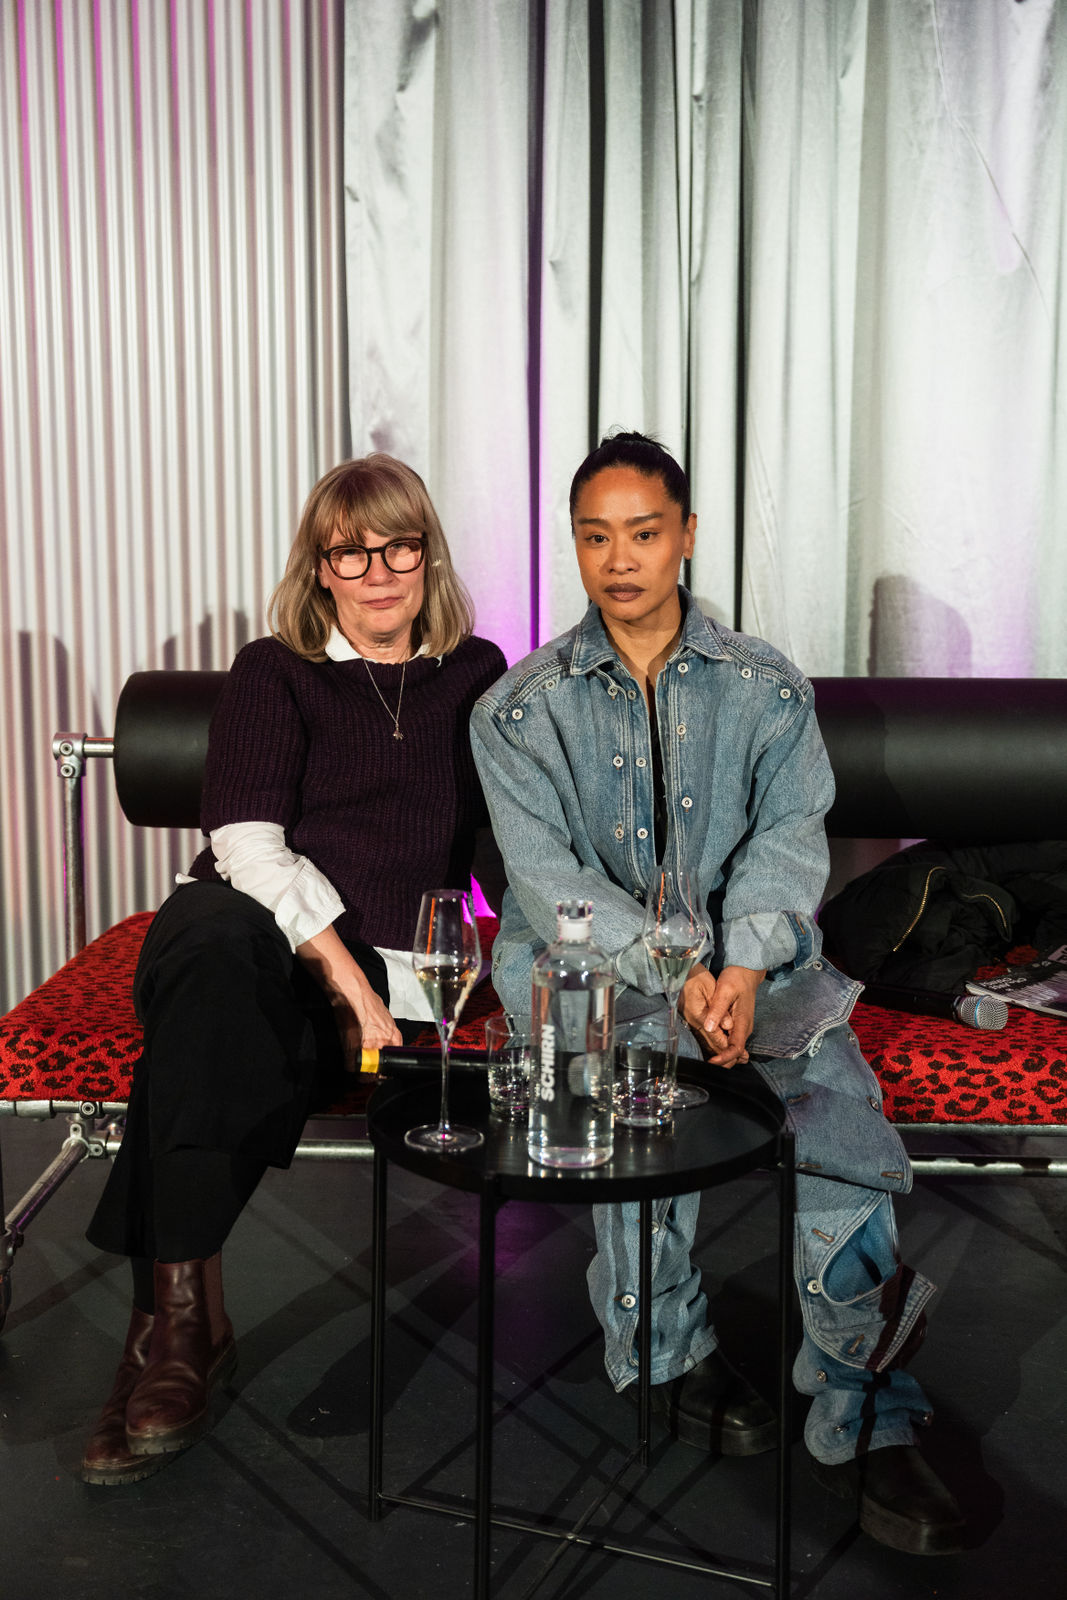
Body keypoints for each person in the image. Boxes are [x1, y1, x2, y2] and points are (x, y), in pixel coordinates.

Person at [470, 431, 965, 1556]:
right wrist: (678, 973)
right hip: (596, 979)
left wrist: (740, 967)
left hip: (758, 973)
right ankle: (660, 1358)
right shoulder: (513, 711)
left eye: (642, 533)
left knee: (840, 1132)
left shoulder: (764, 685)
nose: (619, 559)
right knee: (635, 1141)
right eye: (595, 536)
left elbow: (791, 841)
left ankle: (865, 1406)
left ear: (685, 537)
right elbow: (550, 889)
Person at [81, 455, 506, 1486]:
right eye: (349, 551)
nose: (377, 569)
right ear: (319, 568)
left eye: (397, 543)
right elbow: (245, 842)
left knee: (203, 1037)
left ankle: (174, 1328)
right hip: (261, 939)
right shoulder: (277, 670)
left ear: (427, 551)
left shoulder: (478, 671)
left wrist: (540, 941)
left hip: (391, 963)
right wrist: (350, 987)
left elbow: (501, 837)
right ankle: (178, 1322)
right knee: (218, 955)